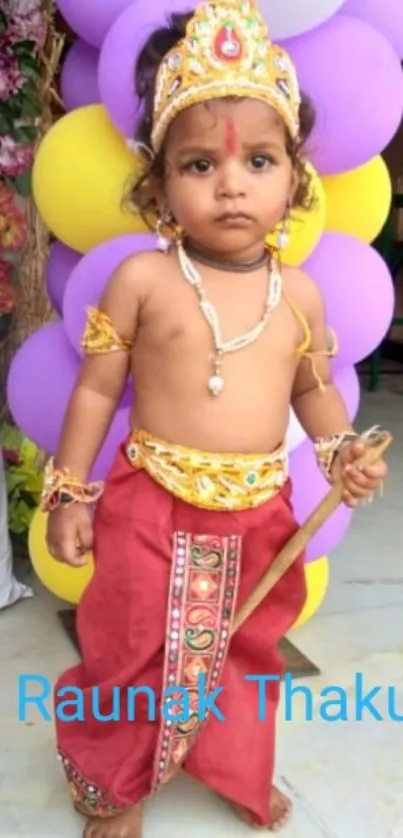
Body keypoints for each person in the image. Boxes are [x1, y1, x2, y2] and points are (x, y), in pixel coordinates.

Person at [42, 2, 388, 836]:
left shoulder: (298, 294)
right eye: (199, 164)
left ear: (294, 178)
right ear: (158, 184)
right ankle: (116, 780)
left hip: (257, 509)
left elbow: (312, 393)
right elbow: (94, 391)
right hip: (147, 502)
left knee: (242, 651)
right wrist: (71, 491)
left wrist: (341, 449)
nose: (231, 183)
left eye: (258, 160)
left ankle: (232, 765)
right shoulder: (142, 282)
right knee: (129, 645)